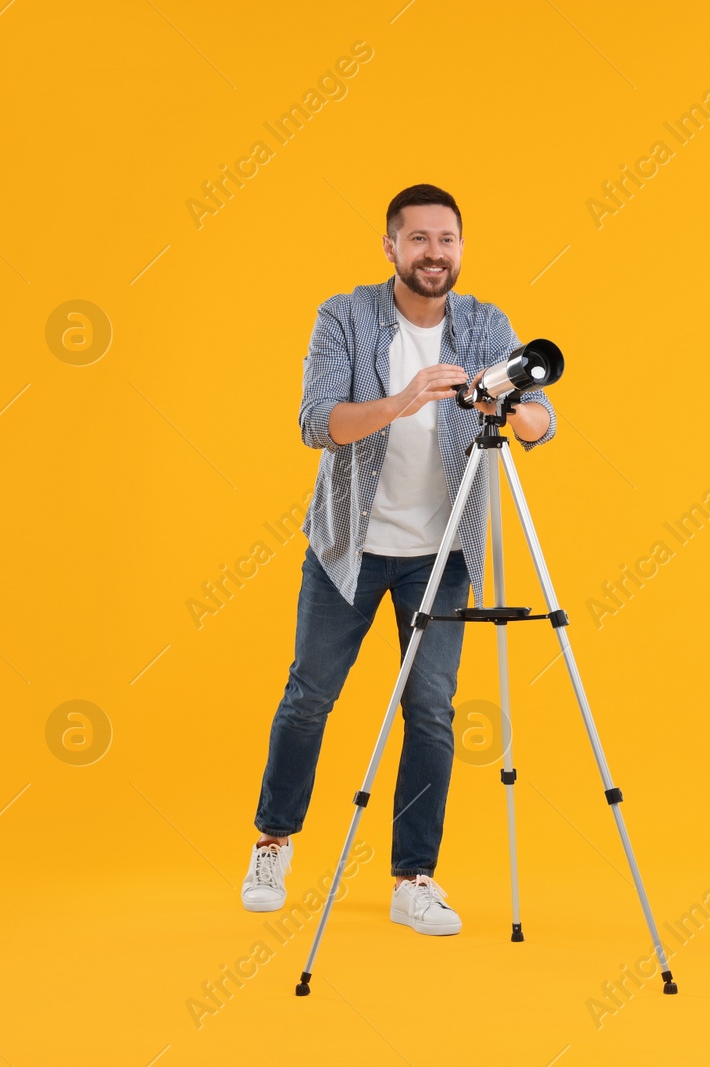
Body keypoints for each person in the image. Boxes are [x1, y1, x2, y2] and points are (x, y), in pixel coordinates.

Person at [241, 183, 556, 935]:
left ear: (460, 246)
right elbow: (318, 422)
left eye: (446, 239)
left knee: (431, 711)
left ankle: (414, 876)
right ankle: (272, 841)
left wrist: (508, 408)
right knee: (309, 694)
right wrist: (405, 398)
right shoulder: (345, 317)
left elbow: (542, 423)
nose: (434, 253)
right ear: (390, 246)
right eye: (418, 239)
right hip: (349, 541)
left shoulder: (486, 324)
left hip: (441, 551)